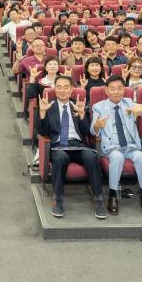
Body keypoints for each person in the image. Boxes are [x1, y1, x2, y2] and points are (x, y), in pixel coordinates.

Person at [37, 75, 104, 218]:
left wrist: (81, 115)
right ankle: (58, 200)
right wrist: (42, 113)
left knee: (91, 157)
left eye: (66, 87)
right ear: (54, 89)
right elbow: (43, 132)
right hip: (59, 145)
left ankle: (99, 199)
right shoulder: (49, 105)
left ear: (71, 89)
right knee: (60, 158)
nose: (62, 90)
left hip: (78, 145)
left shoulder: (78, 104)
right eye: (59, 87)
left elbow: (86, 131)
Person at [89, 76, 142, 216]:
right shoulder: (99, 106)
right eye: (112, 89)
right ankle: (112, 195)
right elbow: (93, 129)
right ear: (106, 90)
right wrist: (98, 125)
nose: (116, 92)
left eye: (119, 88)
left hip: (130, 146)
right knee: (117, 157)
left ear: (124, 89)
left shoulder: (129, 102)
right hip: (112, 146)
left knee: (141, 157)